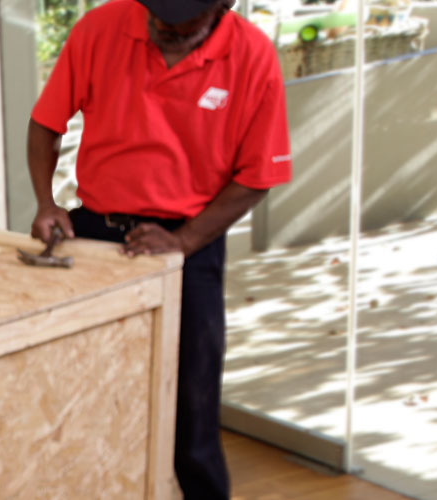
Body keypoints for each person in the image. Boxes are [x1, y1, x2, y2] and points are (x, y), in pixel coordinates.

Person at [26, 0, 292, 497]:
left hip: (191, 242)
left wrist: (185, 240)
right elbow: (46, 122)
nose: (165, 28)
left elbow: (259, 175)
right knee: (87, 397)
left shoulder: (252, 55)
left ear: (222, 7)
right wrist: (47, 202)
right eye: (157, 16)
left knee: (192, 413)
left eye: (182, 23)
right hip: (97, 234)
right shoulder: (101, 28)